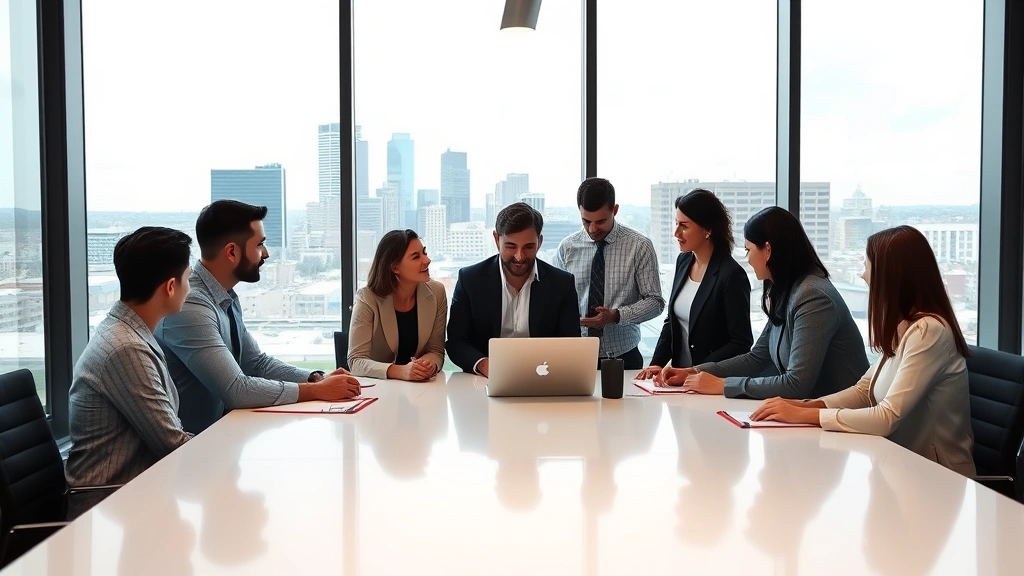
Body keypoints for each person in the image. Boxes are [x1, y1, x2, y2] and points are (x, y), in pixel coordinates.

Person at [750, 226, 976, 477]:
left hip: (938, 479)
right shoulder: (905, 326)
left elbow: (887, 416)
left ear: (890, 275)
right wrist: (803, 407)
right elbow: (865, 391)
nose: (862, 274)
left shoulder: (929, 332)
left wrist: (810, 415)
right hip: (897, 467)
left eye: (868, 265)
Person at [156, 200, 360, 432]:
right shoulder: (190, 304)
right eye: (260, 245)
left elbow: (256, 364)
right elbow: (236, 390)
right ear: (232, 252)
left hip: (221, 437)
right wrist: (316, 391)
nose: (266, 253)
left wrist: (315, 378)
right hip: (190, 452)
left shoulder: (225, 297)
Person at [657, 206, 868, 399]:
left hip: (839, 422)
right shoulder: (787, 289)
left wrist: (723, 385)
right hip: (807, 416)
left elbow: (796, 384)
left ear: (767, 250)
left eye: (749, 250)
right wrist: (694, 372)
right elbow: (758, 358)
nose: (747, 259)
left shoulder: (813, 296)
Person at [66, 227, 194, 488]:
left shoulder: (127, 331)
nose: (190, 289)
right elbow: (173, 444)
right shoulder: (125, 348)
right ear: (171, 286)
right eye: (188, 279)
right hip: (109, 508)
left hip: (136, 494)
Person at [446, 202, 581, 376]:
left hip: (544, 379)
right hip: (485, 381)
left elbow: (570, 344)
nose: (519, 257)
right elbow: (456, 342)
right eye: (511, 246)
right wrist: (484, 365)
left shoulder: (562, 284)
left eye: (528, 247)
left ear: (539, 242)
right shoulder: (470, 279)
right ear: (496, 239)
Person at [637, 189, 752, 380]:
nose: (676, 233)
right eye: (676, 224)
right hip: (677, 380)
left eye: (684, 226)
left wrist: (694, 371)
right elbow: (672, 322)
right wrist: (657, 363)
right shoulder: (683, 261)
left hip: (709, 381)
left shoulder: (731, 275)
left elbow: (741, 343)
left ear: (707, 230)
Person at [553, 177, 664, 368]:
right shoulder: (567, 248)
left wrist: (615, 315)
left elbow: (655, 302)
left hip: (624, 356)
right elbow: (554, 300)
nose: (593, 229)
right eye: (586, 221)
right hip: (575, 355)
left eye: (601, 221)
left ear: (615, 210)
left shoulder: (639, 246)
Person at [348, 229, 447, 380]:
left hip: (420, 390)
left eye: (424, 253)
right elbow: (356, 361)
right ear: (395, 267)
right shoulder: (367, 298)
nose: (427, 260)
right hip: (380, 389)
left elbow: (436, 350)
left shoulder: (437, 292)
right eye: (416, 257)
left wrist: (426, 366)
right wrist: (401, 371)